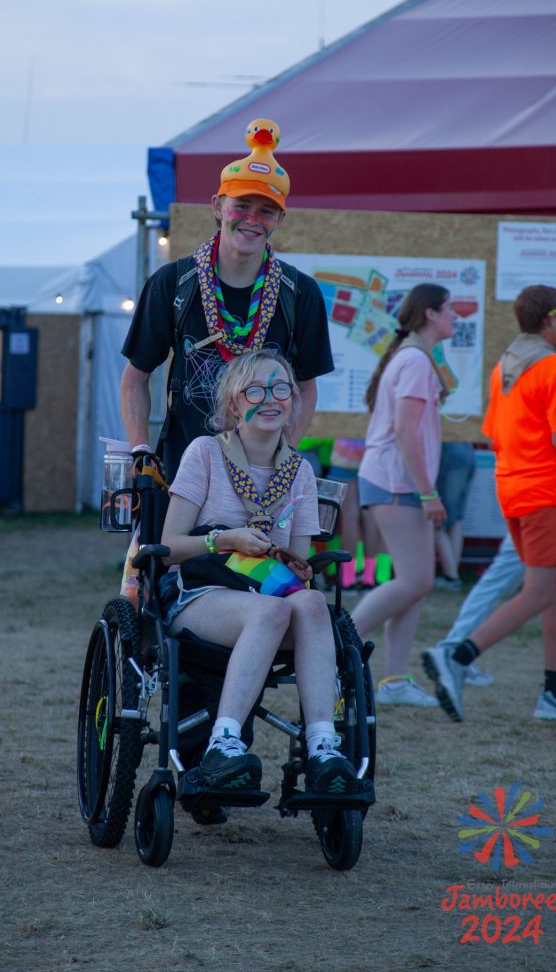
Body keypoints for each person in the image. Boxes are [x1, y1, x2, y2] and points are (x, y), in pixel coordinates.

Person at [158, 349, 357, 795]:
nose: (271, 398)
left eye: (281, 388)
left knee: (309, 601)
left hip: (269, 597)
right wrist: (225, 539)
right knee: (271, 611)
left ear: (293, 401)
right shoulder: (206, 453)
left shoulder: (300, 472)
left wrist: (290, 562)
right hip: (202, 593)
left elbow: (295, 572)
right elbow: (169, 548)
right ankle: (222, 744)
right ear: (234, 404)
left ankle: (324, 746)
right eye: (256, 390)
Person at [423, 286, 556, 722]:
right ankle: (457, 657)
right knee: (541, 590)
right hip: (542, 490)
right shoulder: (553, 366)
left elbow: (494, 432)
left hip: (513, 488)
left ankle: (555, 691)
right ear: (551, 320)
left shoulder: (506, 363)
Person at [120, 117, 333, 480]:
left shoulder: (300, 293)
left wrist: (285, 457)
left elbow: (306, 388)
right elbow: (135, 378)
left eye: (265, 210)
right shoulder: (173, 283)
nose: (252, 219)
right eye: (241, 205)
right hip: (182, 475)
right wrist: (141, 451)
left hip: (261, 480)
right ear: (218, 206)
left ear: (280, 218)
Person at [349, 283, 457, 708]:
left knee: (413, 584)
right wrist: (427, 491)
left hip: (397, 481)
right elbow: (404, 431)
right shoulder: (413, 361)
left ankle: (394, 681)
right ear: (430, 314)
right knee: (416, 580)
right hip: (397, 482)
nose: (456, 317)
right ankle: (335, 648)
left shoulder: (412, 358)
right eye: (450, 309)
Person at [328, 438, 382, 592]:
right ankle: (368, 578)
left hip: (345, 455)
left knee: (349, 517)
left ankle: (348, 579)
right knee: (370, 516)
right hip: (374, 455)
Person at [434, 441, 476, 592]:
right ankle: (452, 573)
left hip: (448, 454)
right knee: (455, 518)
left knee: (437, 520)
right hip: (467, 453)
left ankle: (451, 576)